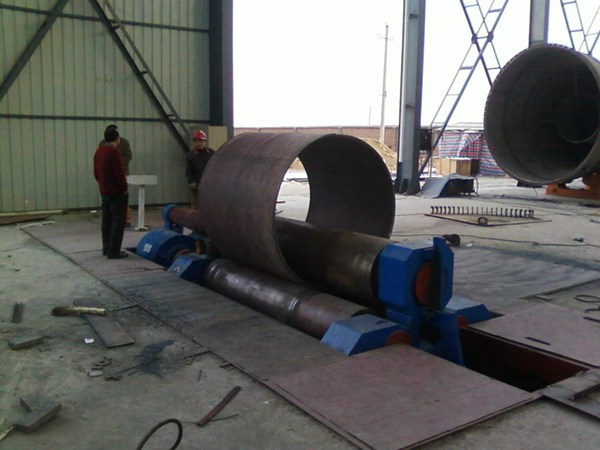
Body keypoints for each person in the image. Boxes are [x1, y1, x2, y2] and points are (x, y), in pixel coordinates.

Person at [94, 127, 129, 259]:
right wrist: (124, 187)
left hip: (104, 191)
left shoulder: (99, 151)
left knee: (107, 220)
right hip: (116, 192)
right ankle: (114, 251)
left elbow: (96, 172)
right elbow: (119, 173)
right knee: (118, 222)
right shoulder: (114, 152)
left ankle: (106, 248)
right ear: (117, 139)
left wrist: (102, 184)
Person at [99, 124, 133, 226]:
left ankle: (125, 218)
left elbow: (128, 156)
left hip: (122, 172)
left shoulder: (124, 142)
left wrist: (119, 164)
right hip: (108, 174)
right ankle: (109, 218)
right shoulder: (102, 143)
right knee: (108, 197)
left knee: (122, 197)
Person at [185, 130, 215, 209]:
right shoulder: (190, 156)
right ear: (194, 142)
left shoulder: (211, 153)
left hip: (210, 186)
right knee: (196, 208)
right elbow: (189, 172)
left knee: (211, 207)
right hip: (197, 187)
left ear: (205, 142)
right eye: (197, 141)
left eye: (201, 141)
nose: (199, 143)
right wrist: (193, 182)